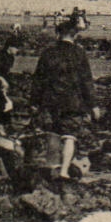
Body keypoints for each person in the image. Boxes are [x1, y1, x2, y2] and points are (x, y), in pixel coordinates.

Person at [30, 14, 100, 180]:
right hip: (72, 101)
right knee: (70, 136)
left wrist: (34, 101)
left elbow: (38, 79)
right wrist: (93, 105)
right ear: (74, 35)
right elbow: (86, 81)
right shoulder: (79, 53)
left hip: (51, 99)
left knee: (53, 133)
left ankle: (53, 166)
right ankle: (64, 171)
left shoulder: (48, 53)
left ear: (58, 34)